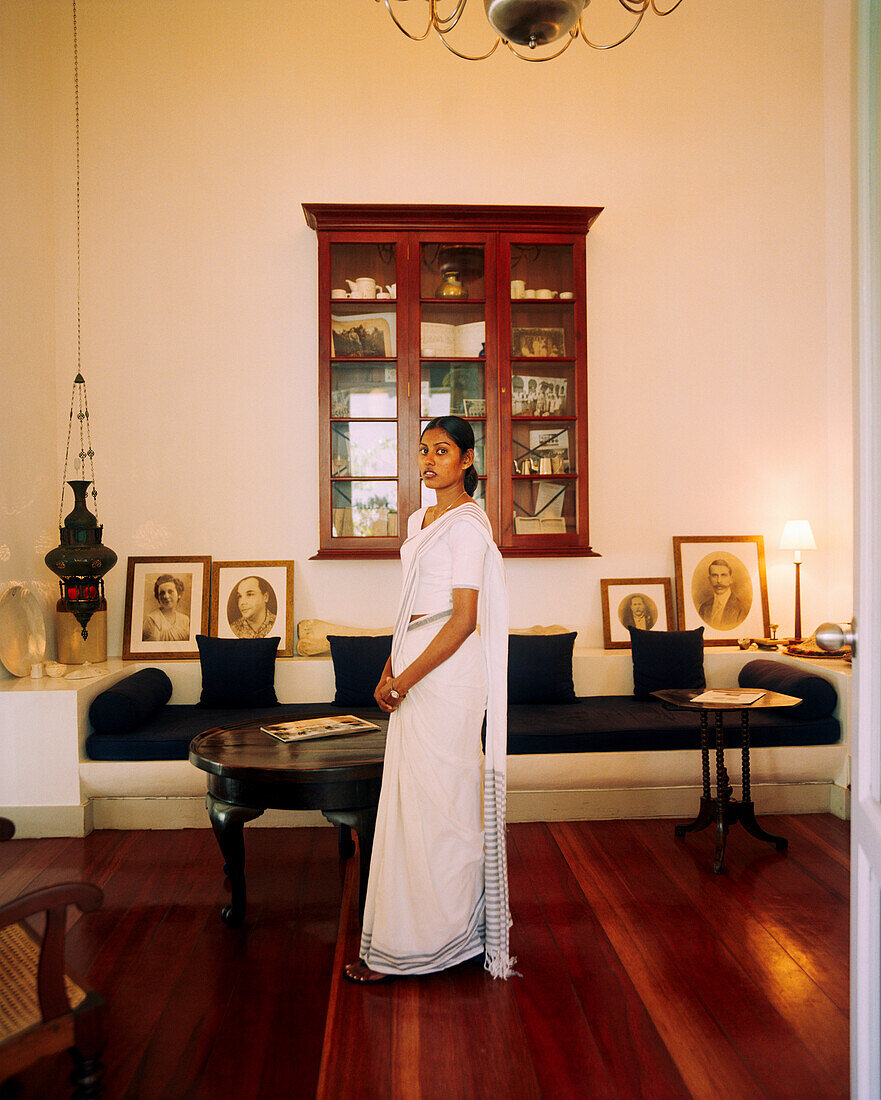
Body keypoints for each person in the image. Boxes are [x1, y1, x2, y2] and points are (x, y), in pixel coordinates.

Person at [344, 415, 514, 985]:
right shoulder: (420, 521)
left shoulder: (469, 526)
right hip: (414, 658)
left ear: (467, 459)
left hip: (449, 673)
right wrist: (390, 666)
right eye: (423, 451)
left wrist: (407, 678)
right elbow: (409, 603)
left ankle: (447, 937)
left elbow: (464, 620)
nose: (429, 460)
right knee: (409, 806)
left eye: (442, 450)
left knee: (445, 804)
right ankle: (406, 938)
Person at [698, 558, 746, 629]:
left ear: (731, 579)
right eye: (714, 575)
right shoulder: (703, 608)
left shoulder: (741, 608)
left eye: (723, 575)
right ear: (709, 579)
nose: (719, 581)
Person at [142, 575, 190, 642]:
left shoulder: (185, 620)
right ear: (158, 597)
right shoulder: (151, 620)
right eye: (162, 593)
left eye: (170, 592)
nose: (166, 596)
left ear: (179, 594)